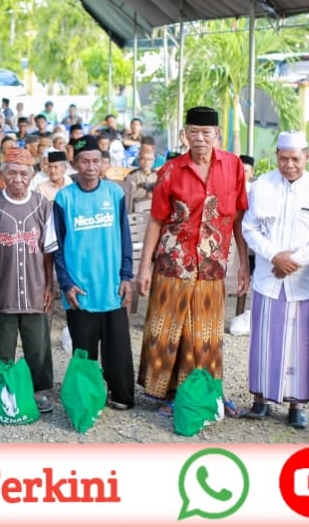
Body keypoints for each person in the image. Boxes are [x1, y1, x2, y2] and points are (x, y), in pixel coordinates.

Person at [134, 107, 249, 416]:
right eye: (193, 132)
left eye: (206, 132)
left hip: (211, 266)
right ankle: (171, 393)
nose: (200, 138)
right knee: (171, 330)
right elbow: (156, 220)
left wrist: (244, 264)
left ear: (217, 134)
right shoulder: (171, 170)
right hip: (173, 264)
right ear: (185, 134)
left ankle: (210, 391)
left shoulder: (233, 167)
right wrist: (144, 268)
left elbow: (238, 217)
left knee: (206, 334)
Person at [241, 131, 309, 429]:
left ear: (307, 157)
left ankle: (298, 404)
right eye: (283, 158)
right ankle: (260, 399)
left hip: (305, 278)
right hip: (269, 275)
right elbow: (249, 228)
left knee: (303, 342)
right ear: (277, 158)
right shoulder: (261, 186)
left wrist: (295, 261)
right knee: (263, 339)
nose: (289, 165)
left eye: (295, 158)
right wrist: (275, 256)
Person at [53, 135, 135, 409]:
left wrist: (126, 276)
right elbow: (57, 246)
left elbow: (124, 237)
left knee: (118, 349)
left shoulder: (115, 193)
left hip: (111, 286)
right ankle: (87, 398)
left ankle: (121, 395)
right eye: (85, 161)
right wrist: (66, 283)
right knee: (84, 350)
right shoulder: (64, 198)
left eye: (96, 161)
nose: (91, 167)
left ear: (103, 163)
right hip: (80, 289)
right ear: (75, 164)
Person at [0, 148, 58, 413]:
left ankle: (40, 390)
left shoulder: (42, 205)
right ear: (2, 175)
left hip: (35, 288)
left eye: (23, 174)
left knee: (38, 344)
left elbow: (48, 251)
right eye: (12, 173)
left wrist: (49, 285)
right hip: (2, 288)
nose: (18, 179)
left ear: (32, 176)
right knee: (0, 344)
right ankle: (0, 388)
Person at [122, 146, 158, 212]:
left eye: (150, 159)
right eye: (143, 159)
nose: (147, 162)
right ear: (138, 160)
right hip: (138, 209)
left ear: (154, 161)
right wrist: (146, 193)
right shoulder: (132, 176)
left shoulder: (158, 175)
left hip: (156, 207)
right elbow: (128, 196)